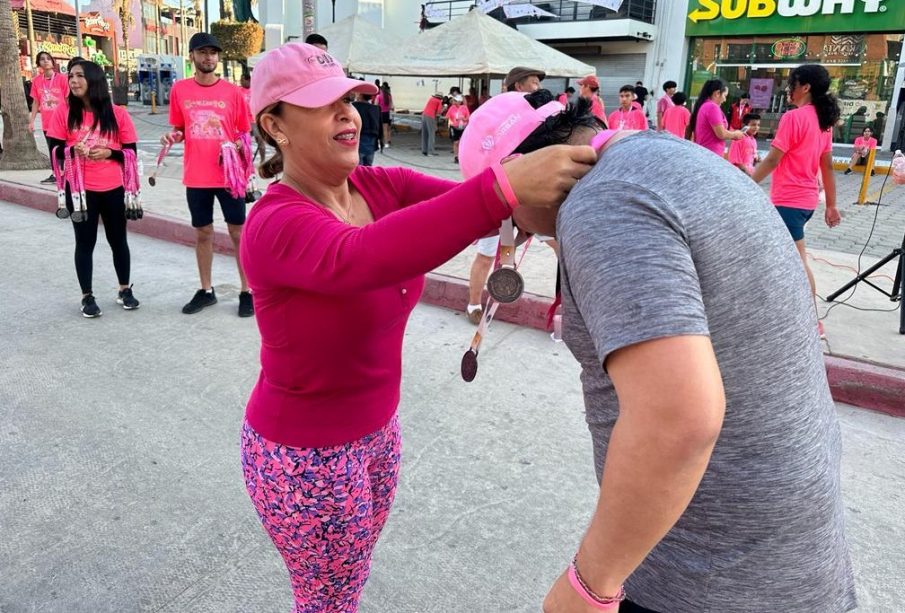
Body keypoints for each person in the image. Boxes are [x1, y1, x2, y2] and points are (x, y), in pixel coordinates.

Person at [459, 88, 857, 613]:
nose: (514, 230)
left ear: (524, 171)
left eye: (502, 207)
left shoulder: (603, 203)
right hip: (786, 535)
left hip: (712, 566)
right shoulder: (672, 155)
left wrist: (590, 585)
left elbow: (677, 418)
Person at [239, 42, 596, 613]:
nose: (349, 113)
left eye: (351, 99)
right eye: (325, 102)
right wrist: (504, 186)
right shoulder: (275, 222)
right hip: (304, 456)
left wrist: (548, 175)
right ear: (274, 126)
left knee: (347, 582)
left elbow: (479, 212)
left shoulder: (380, 188)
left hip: (379, 433)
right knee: (328, 600)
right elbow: (360, 257)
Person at [161, 32, 254, 317]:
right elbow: (180, 127)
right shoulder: (180, 89)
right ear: (192, 56)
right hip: (197, 176)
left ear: (218, 57)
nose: (208, 57)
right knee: (203, 233)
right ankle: (206, 290)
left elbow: (243, 133)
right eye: (202, 52)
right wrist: (172, 137)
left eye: (213, 52)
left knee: (239, 233)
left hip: (228, 176)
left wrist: (237, 146)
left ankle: (246, 291)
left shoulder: (233, 93)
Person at [751, 64, 842, 339]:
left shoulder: (795, 118)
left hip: (788, 201)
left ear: (806, 88)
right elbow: (826, 166)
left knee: (798, 262)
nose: (788, 89)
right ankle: (795, 316)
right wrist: (830, 205)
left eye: (793, 83)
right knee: (790, 259)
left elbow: (772, 159)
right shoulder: (822, 121)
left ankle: (812, 322)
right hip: (806, 202)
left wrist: (747, 182)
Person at [46, 60, 140, 318]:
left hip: (113, 189)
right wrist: (70, 150)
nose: (73, 81)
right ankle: (87, 296)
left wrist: (109, 152)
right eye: (71, 76)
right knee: (85, 243)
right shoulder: (64, 111)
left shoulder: (117, 113)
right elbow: (54, 152)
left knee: (118, 240)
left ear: (95, 80)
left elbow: (131, 152)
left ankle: (124, 289)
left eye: (79, 76)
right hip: (80, 191)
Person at [466, 65, 548, 325]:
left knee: (507, 253)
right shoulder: (495, 114)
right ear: (518, 87)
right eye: (533, 83)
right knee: (487, 253)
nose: (538, 88)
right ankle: (473, 303)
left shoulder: (533, 117)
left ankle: (498, 294)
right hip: (497, 198)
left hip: (522, 199)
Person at [29, 51, 69, 184]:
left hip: (63, 121)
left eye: (48, 59)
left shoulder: (62, 79)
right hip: (47, 123)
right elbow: (35, 102)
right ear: (38, 63)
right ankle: (55, 174)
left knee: (63, 148)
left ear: (52, 62)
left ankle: (66, 174)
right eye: (42, 59)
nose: (45, 61)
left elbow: (68, 100)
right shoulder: (36, 81)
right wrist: (32, 121)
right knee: (52, 149)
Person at [690, 79, 744, 156]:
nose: (725, 100)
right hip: (711, 154)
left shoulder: (705, 105)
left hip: (706, 152)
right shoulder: (712, 107)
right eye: (725, 96)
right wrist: (735, 134)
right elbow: (721, 134)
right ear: (717, 93)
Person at [240, 72, 266, 163]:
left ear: (249, 80)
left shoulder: (256, 91)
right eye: (240, 80)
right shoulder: (239, 91)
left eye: (242, 80)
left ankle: (262, 160)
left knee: (260, 141)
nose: (241, 82)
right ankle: (247, 161)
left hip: (255, 121)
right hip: (244, 121)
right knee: (245, 142)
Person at [352, 92, 380, 166]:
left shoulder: (354, 106)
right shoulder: (375, 108)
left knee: (359, 168)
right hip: (371, 143)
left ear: (360, 95)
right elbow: (379, 127)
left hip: (359, 142)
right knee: (368, 167)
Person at [445, 94, 470, 163]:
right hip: (454, 127)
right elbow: (447, 117)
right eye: (454, 100)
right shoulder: (452, 108)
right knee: (456, 142)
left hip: (463, 127)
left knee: (462, 142)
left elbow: (468, 118)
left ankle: (461, 156)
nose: (454, 102)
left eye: (456, 101)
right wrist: (453, 120)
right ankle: (456, 157)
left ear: (459, 101)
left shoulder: (464, 108)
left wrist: (463, 118)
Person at [376, 81, 393, 149]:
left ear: (380, 90)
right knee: (386, 129)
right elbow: (391, 106)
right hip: (387, 114)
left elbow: (376, 105)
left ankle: (380, 143)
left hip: (380, 114)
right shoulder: (389, 96)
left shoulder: (378, 96)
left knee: (379, 130)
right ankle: (386, 143)